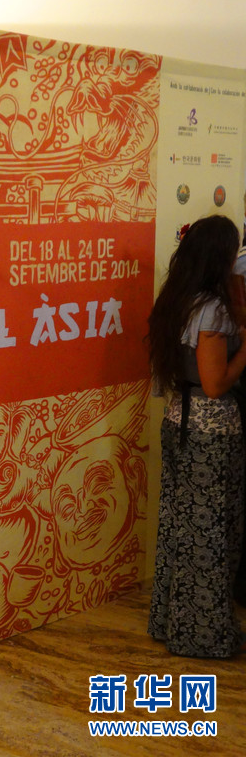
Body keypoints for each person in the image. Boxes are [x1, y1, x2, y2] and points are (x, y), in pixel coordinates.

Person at [147, 214, 246, 658]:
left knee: (179, 527)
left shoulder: (177, 298)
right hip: (211, 431)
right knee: (212, 533)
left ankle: (170, 622)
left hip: (179, 422)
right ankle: (203, 634)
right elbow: (215, 383)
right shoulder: (213, 309)